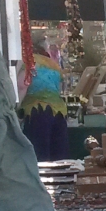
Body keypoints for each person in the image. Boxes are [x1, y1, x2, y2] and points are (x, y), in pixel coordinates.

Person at [16, 34, 68, 162]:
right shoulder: (54, 64)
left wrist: (15, 111)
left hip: (37, 112)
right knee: (59, 160)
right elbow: (61, 89)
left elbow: (22, 85)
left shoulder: (27, 61)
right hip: (60, 113)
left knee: (39, 159)